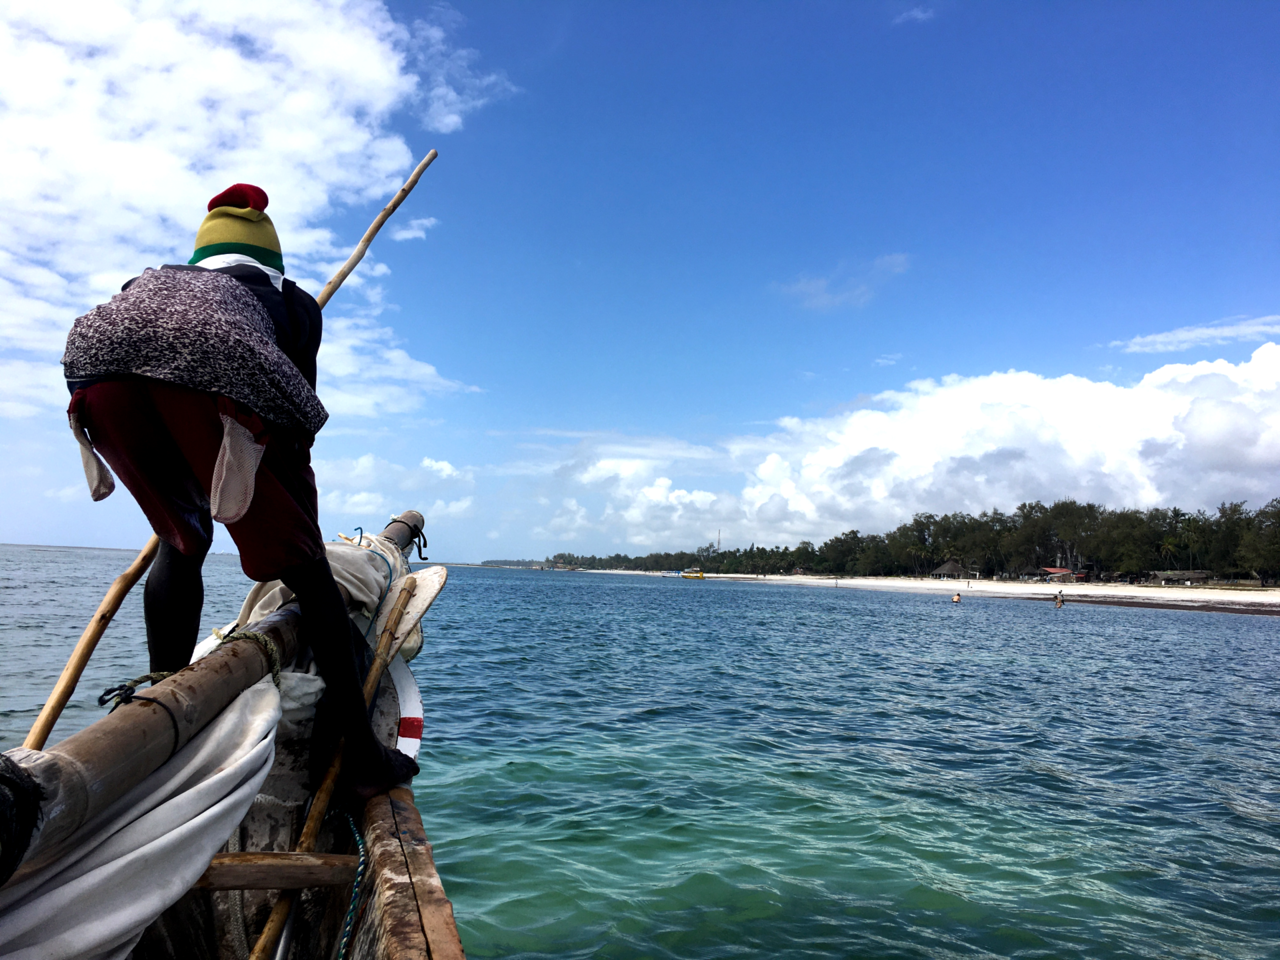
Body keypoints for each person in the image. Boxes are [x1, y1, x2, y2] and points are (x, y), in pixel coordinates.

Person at [61, 184, 417, 795]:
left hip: (94, 376)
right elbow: (290, 413)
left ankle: (166, 715)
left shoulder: (149, 281)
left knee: (181, 540)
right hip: (219, 374)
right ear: (271, 260)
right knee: (309, 574)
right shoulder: (294, 303)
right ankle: (359, 752)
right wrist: (296, 534)